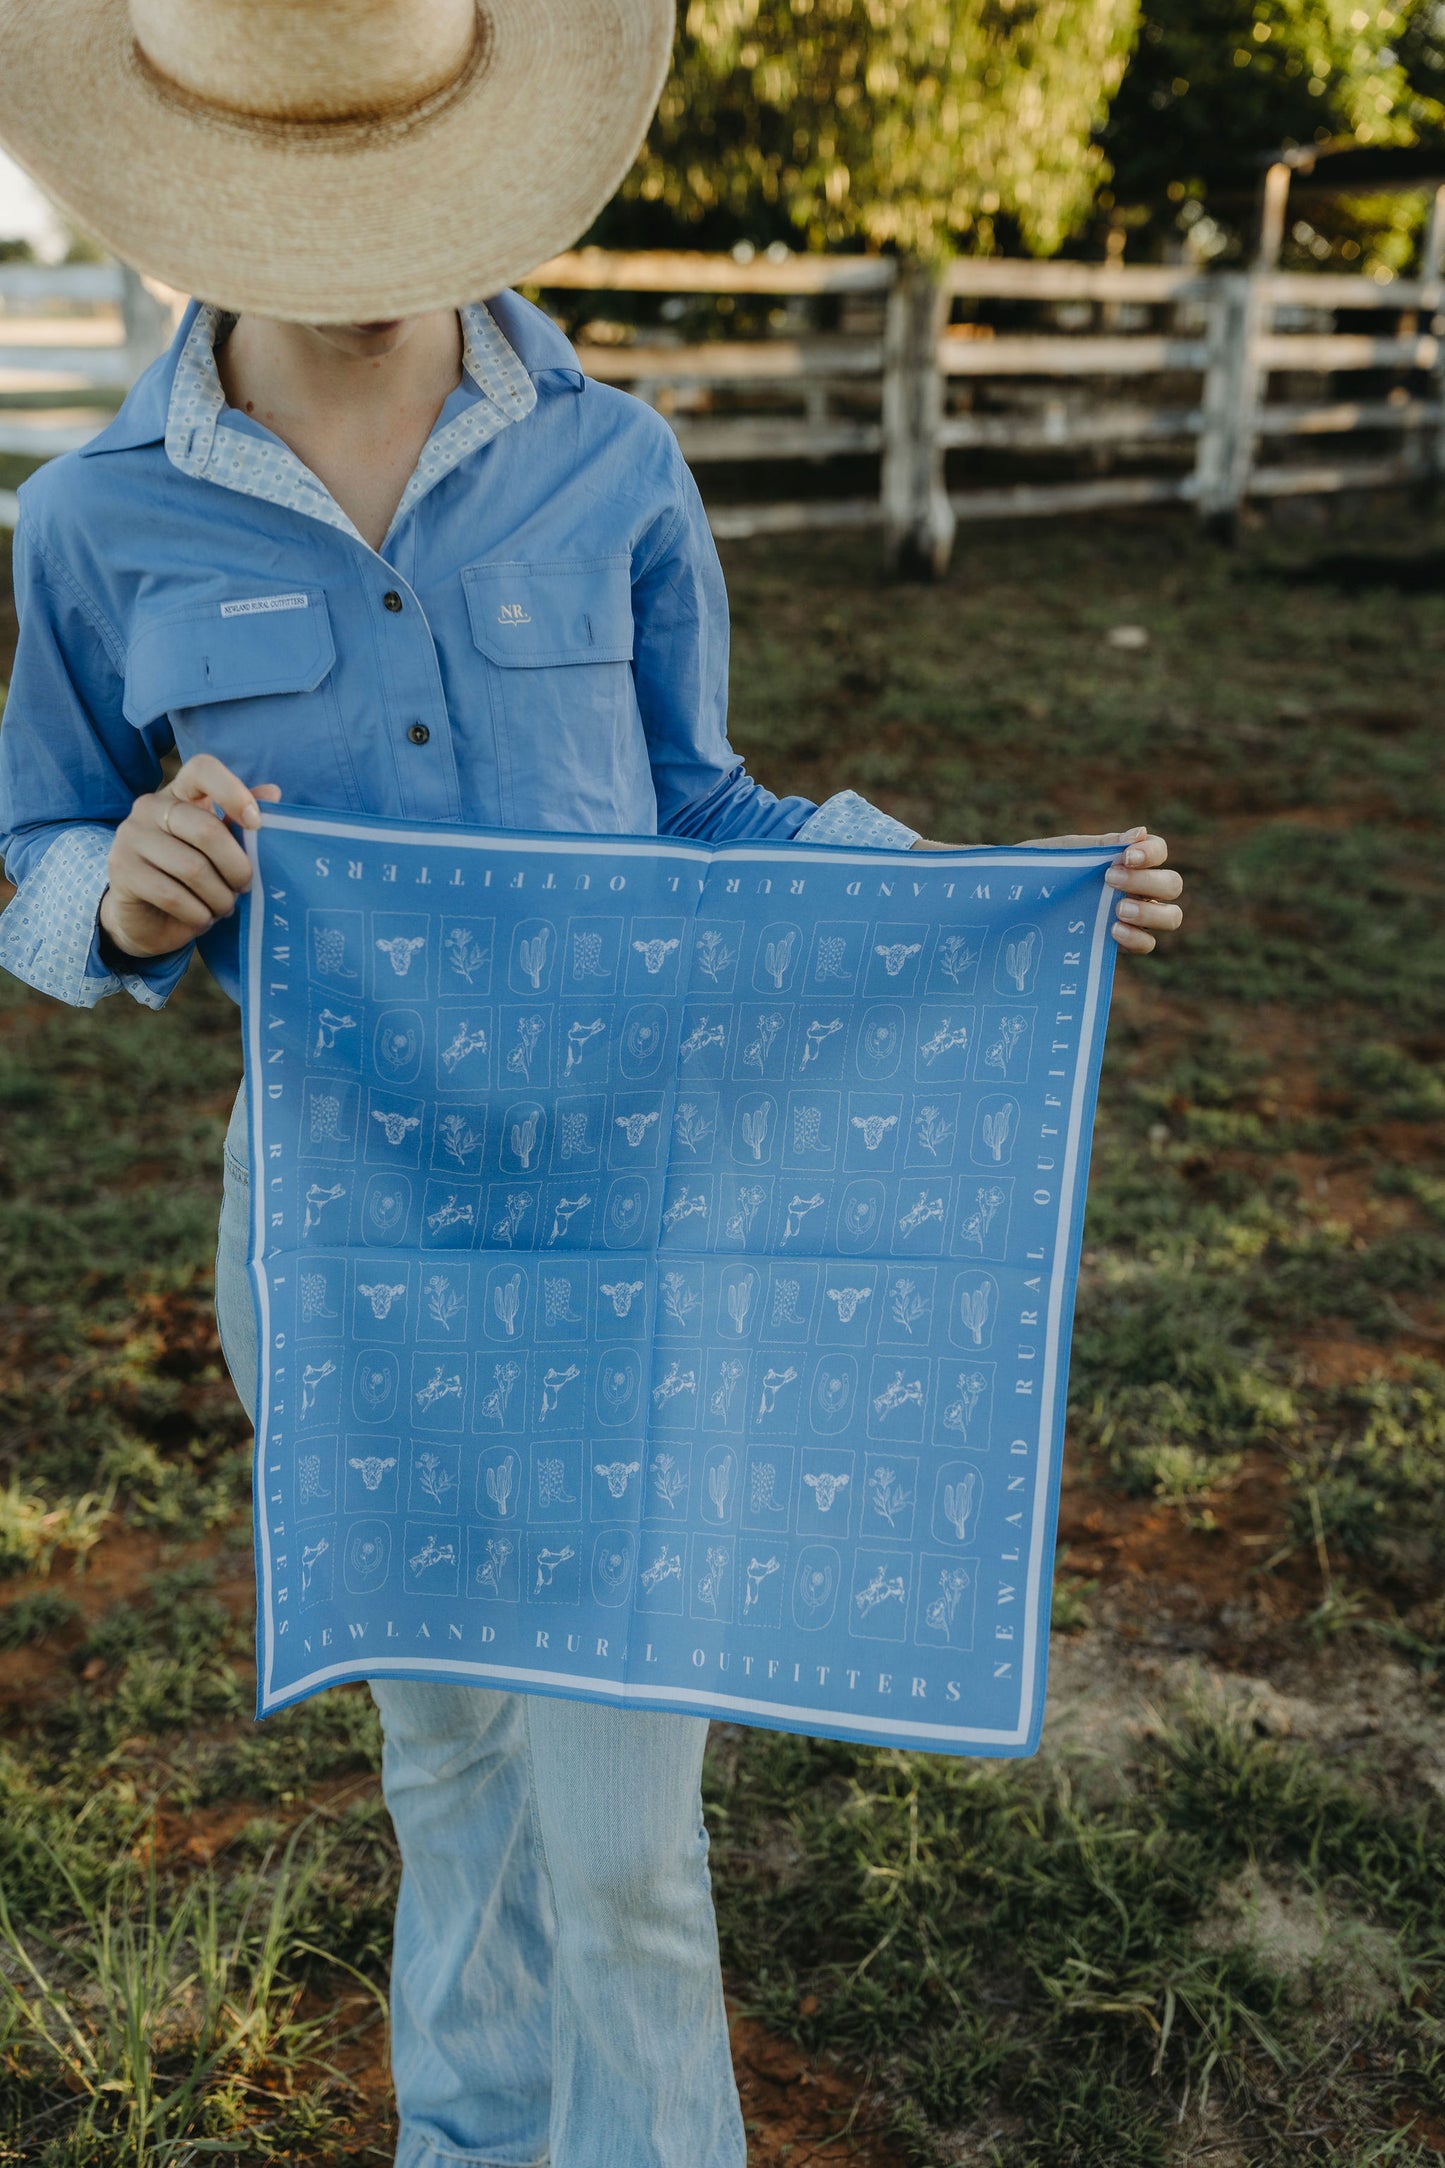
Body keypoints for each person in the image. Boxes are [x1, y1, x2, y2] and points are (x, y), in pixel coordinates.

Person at [0, 5, 1184, 2163]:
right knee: (449, 1785)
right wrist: (122, 891)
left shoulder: (613, 463)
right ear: (193, 178)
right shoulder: (95, 520)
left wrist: (991, 897)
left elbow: (703, 809)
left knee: (626, 1843)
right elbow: (35, 846)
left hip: (629, 1236)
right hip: (343, 1257)